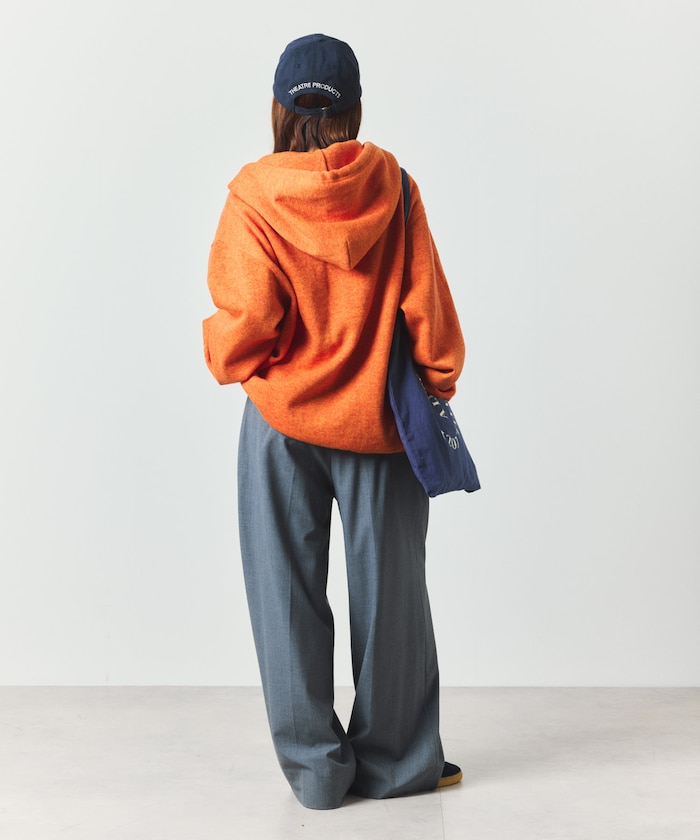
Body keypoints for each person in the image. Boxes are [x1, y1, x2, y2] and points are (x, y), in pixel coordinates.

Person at [203, 33, 466, 810]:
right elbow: (430, 313)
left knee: (283, 593)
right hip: (380, 422)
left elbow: (245, 327)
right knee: (393, 595)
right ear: (354, 107)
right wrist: (437, 381)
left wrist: (229, 355)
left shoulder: (254, 195)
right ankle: (397, 765)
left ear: (278, 108)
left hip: (280, 424)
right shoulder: (396, 187)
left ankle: (317, 773)